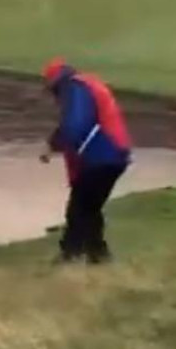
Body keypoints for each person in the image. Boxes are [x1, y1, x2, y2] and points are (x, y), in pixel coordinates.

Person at [39, 58, 132, 264]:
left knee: (79, 208)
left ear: (57, 83)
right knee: (90, 207)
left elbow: (75, 125)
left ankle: (71, 255)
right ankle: (97, 255)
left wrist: (57, 143)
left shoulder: (75, 87)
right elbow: (74, 124)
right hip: (115, 154)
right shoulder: (86, 85)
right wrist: (54, 144)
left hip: (102, 154)